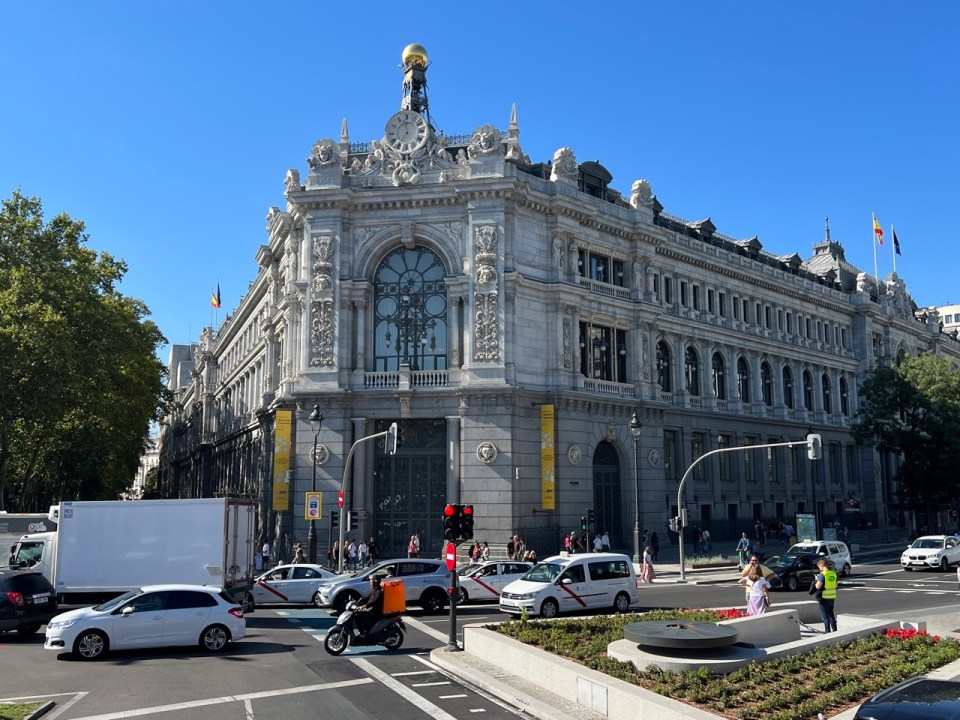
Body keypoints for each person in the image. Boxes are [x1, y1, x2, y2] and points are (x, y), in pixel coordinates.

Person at [810, 557, 838, 632]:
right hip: (832, 597)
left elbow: (818, 586)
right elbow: (835, 585)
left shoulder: (822, 575)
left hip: (823, 597)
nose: (819, 568)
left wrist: (816, 580)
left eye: (819, 567)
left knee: (825, 617)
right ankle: (835, 630)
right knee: (831, 615)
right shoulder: (833, 574)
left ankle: (827, 632)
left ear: (822, 565)